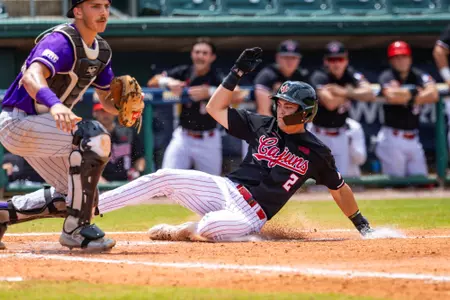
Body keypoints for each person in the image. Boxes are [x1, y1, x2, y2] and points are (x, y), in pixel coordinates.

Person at [96, 47, 375, 242]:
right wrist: (236, 72)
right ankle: (91, 207)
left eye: (289, 106)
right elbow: (215, 108)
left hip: (253, 213)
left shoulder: (316, 151)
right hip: (225, 188)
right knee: (164, 177)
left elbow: (339, 189)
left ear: (305, 111)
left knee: (210, 227)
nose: (280, 109)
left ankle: (183, 231)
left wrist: (361, 223)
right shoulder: (263, 125)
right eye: (280, 103)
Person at [0, 0, 128, 251]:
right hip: (17, 121)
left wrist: (125, 107)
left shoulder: (101, 50)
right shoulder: (61, 41)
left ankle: (3, 214)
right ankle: (76, 230)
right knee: (94, 138)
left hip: (42, 126)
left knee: (80, 198)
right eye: (95, 6)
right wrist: (56, 105)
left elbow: (107, 101)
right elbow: (31, 77)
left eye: (106, 6)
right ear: (77, 11)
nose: (103, 12)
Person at [147, 38, 243, 176]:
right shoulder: (184, 72)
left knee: (211, 185)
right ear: (192, 54)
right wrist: (168, 82)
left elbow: (238, 93)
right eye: (197, 52)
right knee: (165, 177)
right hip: (183, 137)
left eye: (205, 53)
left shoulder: (216, 76)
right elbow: (152, 82)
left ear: (212, 57)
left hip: (208, 139)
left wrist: (210, 92)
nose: (200, 56)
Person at [309, 41, 375, 176]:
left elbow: (370, 92)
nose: (336, 63)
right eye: (332, 59)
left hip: (341, 135)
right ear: (326, 61)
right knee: (318, 186)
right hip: (320, 135)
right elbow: (331, 103)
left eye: (340, 59)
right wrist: (353, 93)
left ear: (346, 60)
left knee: (340, 182)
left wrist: (343, 92)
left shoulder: (350, 74)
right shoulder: (319, 76)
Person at [375, 41, 438, 177]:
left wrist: (406, 97)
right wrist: (416, 92)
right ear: (391, 61)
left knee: (421, 182)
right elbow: (392, 96)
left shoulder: (418, 75)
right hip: (392, 138)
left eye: (403, 56)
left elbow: (433, 93)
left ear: (410, 58)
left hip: (414, 139)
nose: (401, 60)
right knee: (396, 184)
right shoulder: (387, 75)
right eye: (396, 57)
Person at [253, 40, 310, 116]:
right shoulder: (267, 75)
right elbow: (263, 112)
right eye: (285, 57)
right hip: (269, 122)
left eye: (293, 58)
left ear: (299, 59)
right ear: (277, 58)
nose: (289, 61)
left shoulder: (302, 76)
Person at [92, 101, 145, 182]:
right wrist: (101, 183)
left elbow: (139, 158)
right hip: (100, 186)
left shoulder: (128, 133)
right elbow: (86, 167)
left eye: (109, 111)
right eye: (102, 111)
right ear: (95, 113)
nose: (106, 114)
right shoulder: (89, 137)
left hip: (127, 182)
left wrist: (137, 172)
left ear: (115, 112)